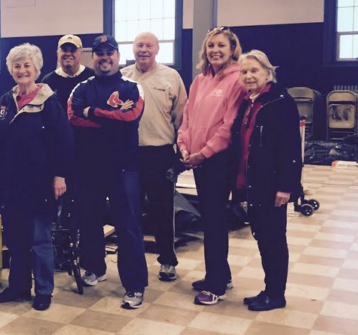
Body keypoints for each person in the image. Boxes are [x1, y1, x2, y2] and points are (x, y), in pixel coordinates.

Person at [0, 43, 74, 311]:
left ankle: (44, 290)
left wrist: (60, 175)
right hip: (10, 183)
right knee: (15, 239)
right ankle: (19, 286)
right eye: (17, 65)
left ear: (37, 69)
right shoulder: (5, 101)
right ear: (11, 70)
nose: (22, 70)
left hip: (40, 184)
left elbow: (64, 141)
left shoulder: (49, 102)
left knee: (39, 239)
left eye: (27, 65)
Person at [68, 35, 148, 309]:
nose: (104, 57)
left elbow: (130, 118)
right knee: (89, 221)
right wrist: (107, 118)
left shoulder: (132, 87)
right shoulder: (81, 87)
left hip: (123, 168)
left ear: (118, 56)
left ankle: (135, 285)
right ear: (93, 58)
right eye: (99, 53)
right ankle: (95, 267)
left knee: (128, 226)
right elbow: (73, 117)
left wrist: (94, 113)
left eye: (109, 53)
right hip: (88, 167)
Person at [177, 26, 245, 306]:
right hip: (198, 160)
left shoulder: (237, 80)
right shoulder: (199, 80)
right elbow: (188, 118)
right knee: (209, 219)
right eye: (211, 45)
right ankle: (220, 274)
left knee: (215, 222)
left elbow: (229, 127)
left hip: (218, 161)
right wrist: (183, 145)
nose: (215, 50)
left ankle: (216, 285)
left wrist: (203, 154)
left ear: (232, 50)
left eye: (221, 46)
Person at [232, 50, 301, 312]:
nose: (249, 76)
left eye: (254, 71)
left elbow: (291, 148)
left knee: (273, 239)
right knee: (263, 237)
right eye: (244, 71)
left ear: (267, 73)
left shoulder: (280, 102)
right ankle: (269, 289)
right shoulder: (249, 102)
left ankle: (276, 294)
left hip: (272, 185)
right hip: (254, 183)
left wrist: (286, 186)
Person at [121, 32, 187, 282]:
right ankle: (133, 261)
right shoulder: (123, 76)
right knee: (130, 211)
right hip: (129, 154)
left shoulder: (171, 77)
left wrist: (178, 156)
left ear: (157, 49)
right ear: (133, 49)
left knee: (162, 210)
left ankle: (167, 261)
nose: (143, 49)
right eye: (139, 45)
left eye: (149, 45)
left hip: (160, 153)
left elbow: (182, 117)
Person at [41, 34, 95, 109]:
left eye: (73, 50)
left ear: (80, 53)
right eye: (64, 50)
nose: (68, 53)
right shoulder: (48, 82)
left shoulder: (92, 77)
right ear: (57, 53)